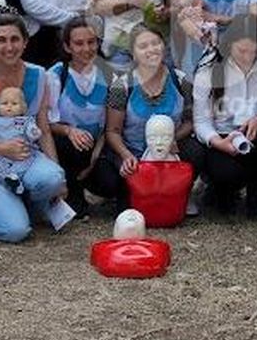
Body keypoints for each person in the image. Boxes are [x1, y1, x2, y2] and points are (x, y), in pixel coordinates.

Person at [0, 11, 69, 242]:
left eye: (15, 39)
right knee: (15, 231)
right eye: (1, 40)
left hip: (27, 157)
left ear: (25, 42)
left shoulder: (38, 75)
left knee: (53, 178)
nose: (9, 47)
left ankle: (28, 200)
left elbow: (43, 129)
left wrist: (60, 179)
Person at [88, 24, 206, 209]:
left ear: (163, 46)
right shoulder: (122, 86)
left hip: (170, 152)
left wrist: (172, 139)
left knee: (196, 149)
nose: (151, 50)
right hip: (134, 153)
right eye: (143, 46)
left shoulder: (180, 80)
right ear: (133, 54)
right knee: (120, 193)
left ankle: (183, 193)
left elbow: (190, 121)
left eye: (155, 43)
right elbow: (113, 131)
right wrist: (126, 156)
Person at [193, 18, 257, 215]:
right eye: (240, 51)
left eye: (252, 51)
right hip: (222, 135)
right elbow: (201, 121)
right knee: (225, 177)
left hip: (256, 131)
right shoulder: (210, 67)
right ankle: (220, 190)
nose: (247, 57)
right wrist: (218, 142)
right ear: (229, 44)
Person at [45, 19, 112, 217]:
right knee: (69, 145)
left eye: (91, 42)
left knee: (110, 184)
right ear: (67, 46)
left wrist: (94, 159)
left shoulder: (109, 74)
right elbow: (47, 122)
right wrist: (69, 131)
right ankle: (70, 190)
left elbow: (110, 125)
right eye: (79, 43)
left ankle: (89, 182)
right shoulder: (55, 75)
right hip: (67, 147)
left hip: (97, 146)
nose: (87, 48)